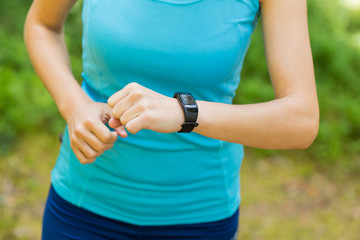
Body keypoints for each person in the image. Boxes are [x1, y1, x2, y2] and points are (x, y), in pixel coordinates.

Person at [24, 0, 319, 239]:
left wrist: (184, 112)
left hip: (199, 217)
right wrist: (75, 105)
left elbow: (301, 120)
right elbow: (42, 25)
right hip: (82, 207)